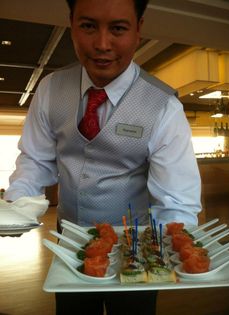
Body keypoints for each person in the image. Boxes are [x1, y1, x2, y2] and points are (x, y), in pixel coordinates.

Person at [4, 0, 202, 314]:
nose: (102, 45)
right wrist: (16, 209)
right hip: (70, 248)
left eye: (118, 29)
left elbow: (176, 200)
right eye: (88, 26)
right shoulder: (50, 89)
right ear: (71, 24)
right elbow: (35, 160)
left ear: (139, 30)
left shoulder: (164, 107)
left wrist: (164, 254)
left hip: (135, 249)